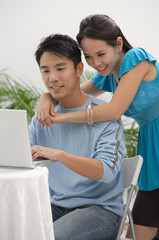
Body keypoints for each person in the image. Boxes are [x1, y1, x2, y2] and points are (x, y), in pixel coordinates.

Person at [36, 14, 159, 240]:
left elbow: (113, 111)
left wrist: (59, 119)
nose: (96, 63)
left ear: (119, 44)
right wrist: (46, 97)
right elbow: (69, 90)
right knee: (139, 229)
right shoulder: (109, 76)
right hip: (152, 145)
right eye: (89, 57)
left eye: (101, 54)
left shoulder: (136, 58)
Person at [29, 33, 127, 240]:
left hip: (101, 209)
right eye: (45, 71)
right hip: (55, 204)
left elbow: (107, 171)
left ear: (78, 70)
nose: (52, 78)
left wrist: (59, 155)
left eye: (60, 68)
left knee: (52, 237)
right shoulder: (43, 116)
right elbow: (23, 155)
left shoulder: (106, 116)